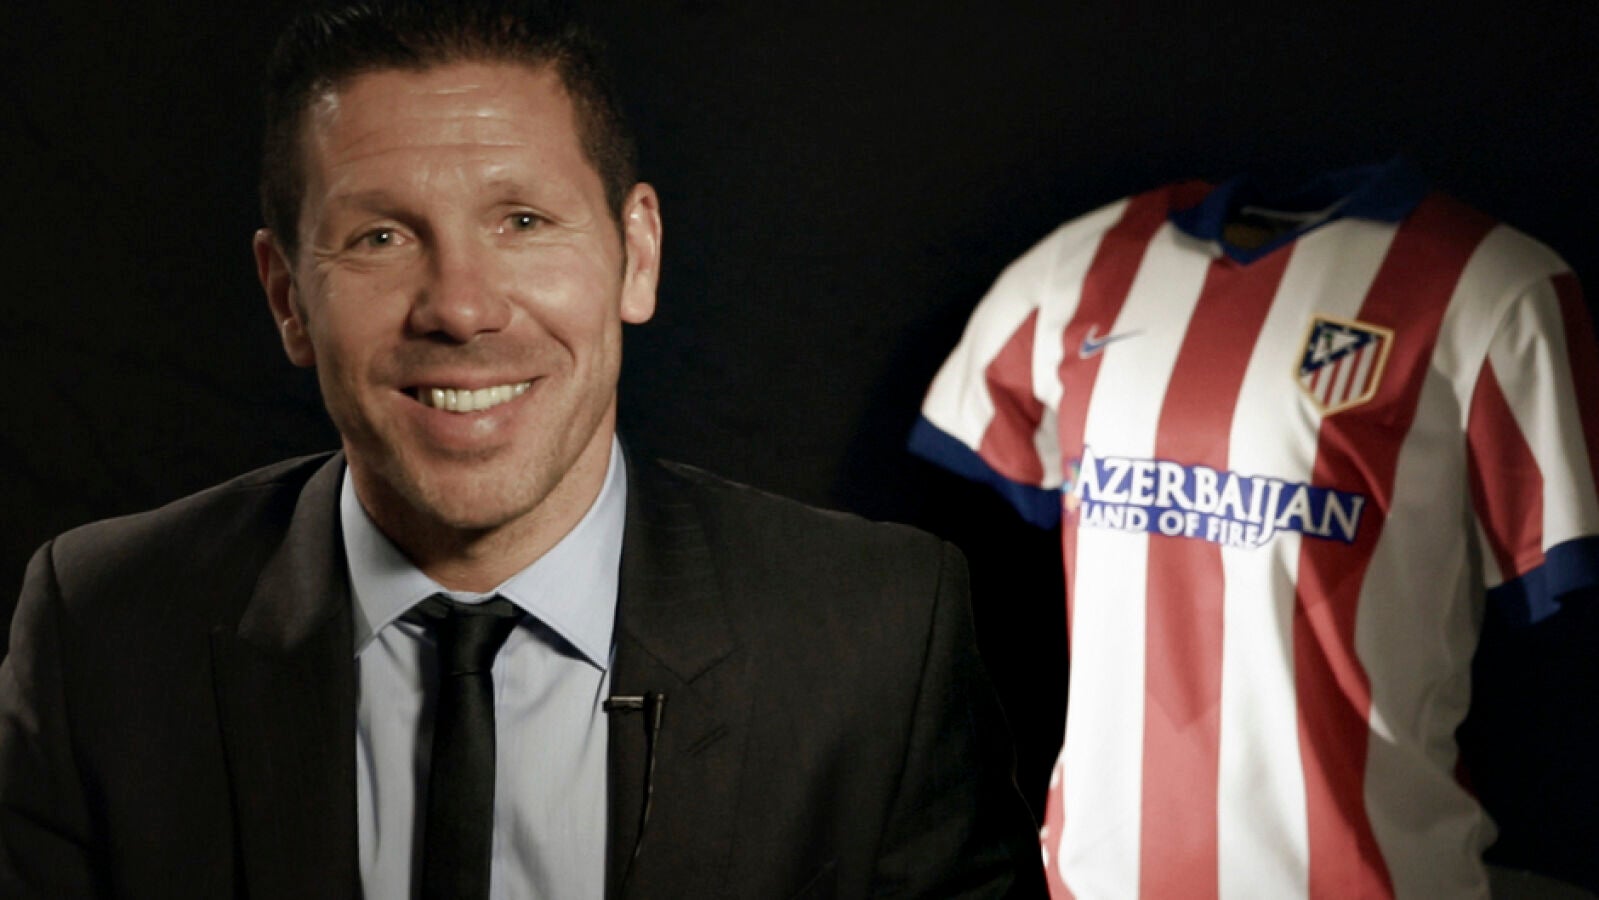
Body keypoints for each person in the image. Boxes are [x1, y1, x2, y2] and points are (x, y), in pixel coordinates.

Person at [0, 1, 1046, 897]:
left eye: (525, 221)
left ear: (636, 256)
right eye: (380, 237)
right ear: (288, 298)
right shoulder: (104, 628)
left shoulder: (877, 639)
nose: (461, 308)